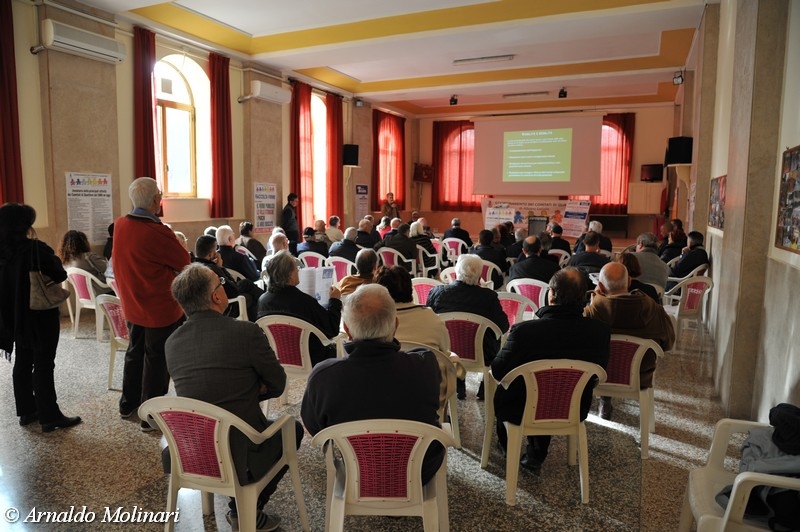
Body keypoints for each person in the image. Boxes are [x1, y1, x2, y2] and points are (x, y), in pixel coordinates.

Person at [166, 263, 298, 531]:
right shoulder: (246, 332)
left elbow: (200, 388)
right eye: (221, 283)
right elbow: (277, 383)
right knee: (292, 428)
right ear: (216, 296)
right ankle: (246, 508)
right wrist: (249, 388)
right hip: (241, 450)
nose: (224, 287)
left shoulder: (172, 342)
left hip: (191, 449)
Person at [300, 284, 444, 485]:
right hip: (419, 471)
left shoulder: (323, 376)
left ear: (348, 330)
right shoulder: (425, 365)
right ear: (395, 325)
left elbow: (316, 429)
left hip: (357, 469)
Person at [492, 267, 610, 473]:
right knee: (546, 391)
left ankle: (506, 445)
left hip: (521, 408)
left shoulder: (524, 332)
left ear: (552, 294)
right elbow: (597, 374)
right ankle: (535, 455)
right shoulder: (599, 332)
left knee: (518, 390)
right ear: (584, 297)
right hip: (572, 406)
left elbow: (499, 371)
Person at [112, 177, 190, 429]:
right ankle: (151, 416)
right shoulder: (158, 232)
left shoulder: (121, 225)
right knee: (157, 359)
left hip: (132, 303)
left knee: (135, 352)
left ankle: (128, 404)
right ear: (156, 200)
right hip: (159, 307)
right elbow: (183, 261)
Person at [0, 203, 81, 432]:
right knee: (44, 364)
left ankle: (27, 411)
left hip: (14, 317)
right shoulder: (35, 249)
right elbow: (59, 273)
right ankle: (50, 416)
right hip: (39, 316)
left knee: (23, 362)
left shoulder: (3, 252)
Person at [583, 262, 674, 419]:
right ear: (629, 281)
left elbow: (582, 346)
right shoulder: (654, 310)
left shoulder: (591, 313)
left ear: (600, 286)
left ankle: (604, 401)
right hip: (640, 377)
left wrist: (595, 301)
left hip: (600, 377)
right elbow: (668, 344)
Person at [428, 254, 509, 399]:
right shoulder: (489, 297)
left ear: (456, 272)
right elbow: (503, 327)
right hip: (482, 354)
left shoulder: (437, 293)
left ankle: (458, 381)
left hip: (447, 351)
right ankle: (485, 387)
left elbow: (428, 322)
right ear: (479, 276)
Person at [257, 251, 341, 366]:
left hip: (277, 357)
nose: (298, 270)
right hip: (312, 358)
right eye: (296, 268)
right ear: (290, 275)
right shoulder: (304, 301)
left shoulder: (263, 300)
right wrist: (335, 301)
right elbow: (332, 329)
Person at [375, 266, 450, 354]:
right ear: (411, 288)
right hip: (428, 367)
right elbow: (446, 350)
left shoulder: (374, 325)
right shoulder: (433, 320)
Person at [193, 235, 262, 321]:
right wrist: (221, 268)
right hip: (226, 305)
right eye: (215, 250)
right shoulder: (212, 269)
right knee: (249, 297)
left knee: (246, 283)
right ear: (211, 254)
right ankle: (264, 307)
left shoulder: (192, 267)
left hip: (203, 305)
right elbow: (233, 290)